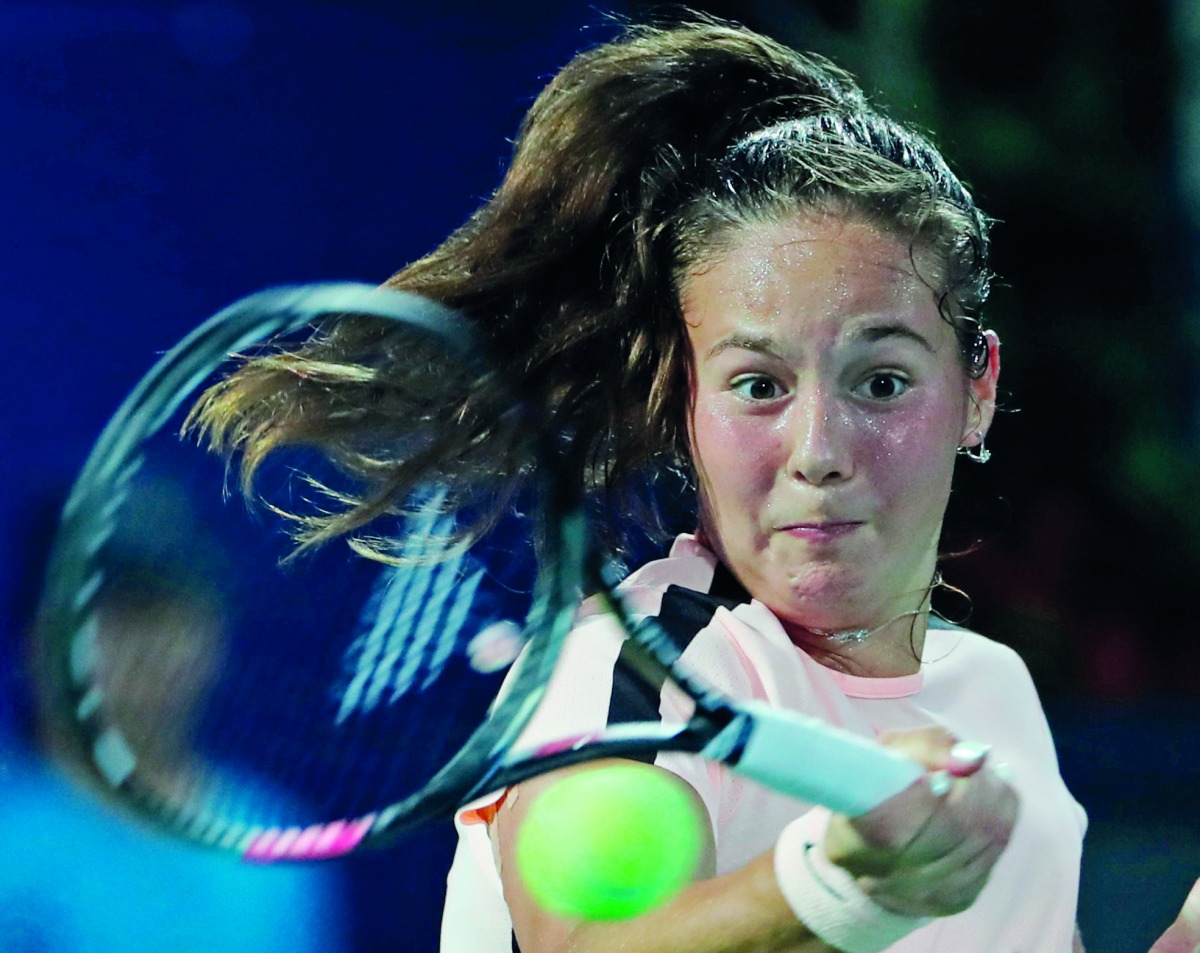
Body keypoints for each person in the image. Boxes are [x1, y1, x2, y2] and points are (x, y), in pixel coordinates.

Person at [190, 17, 1200, 953]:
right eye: (758, 384)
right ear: (687, 402)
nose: (819, 448)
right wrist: (836, 885)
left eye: (882, 380)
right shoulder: (628, 665)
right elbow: (581, 941)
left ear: (975, 390)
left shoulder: (992, 697)